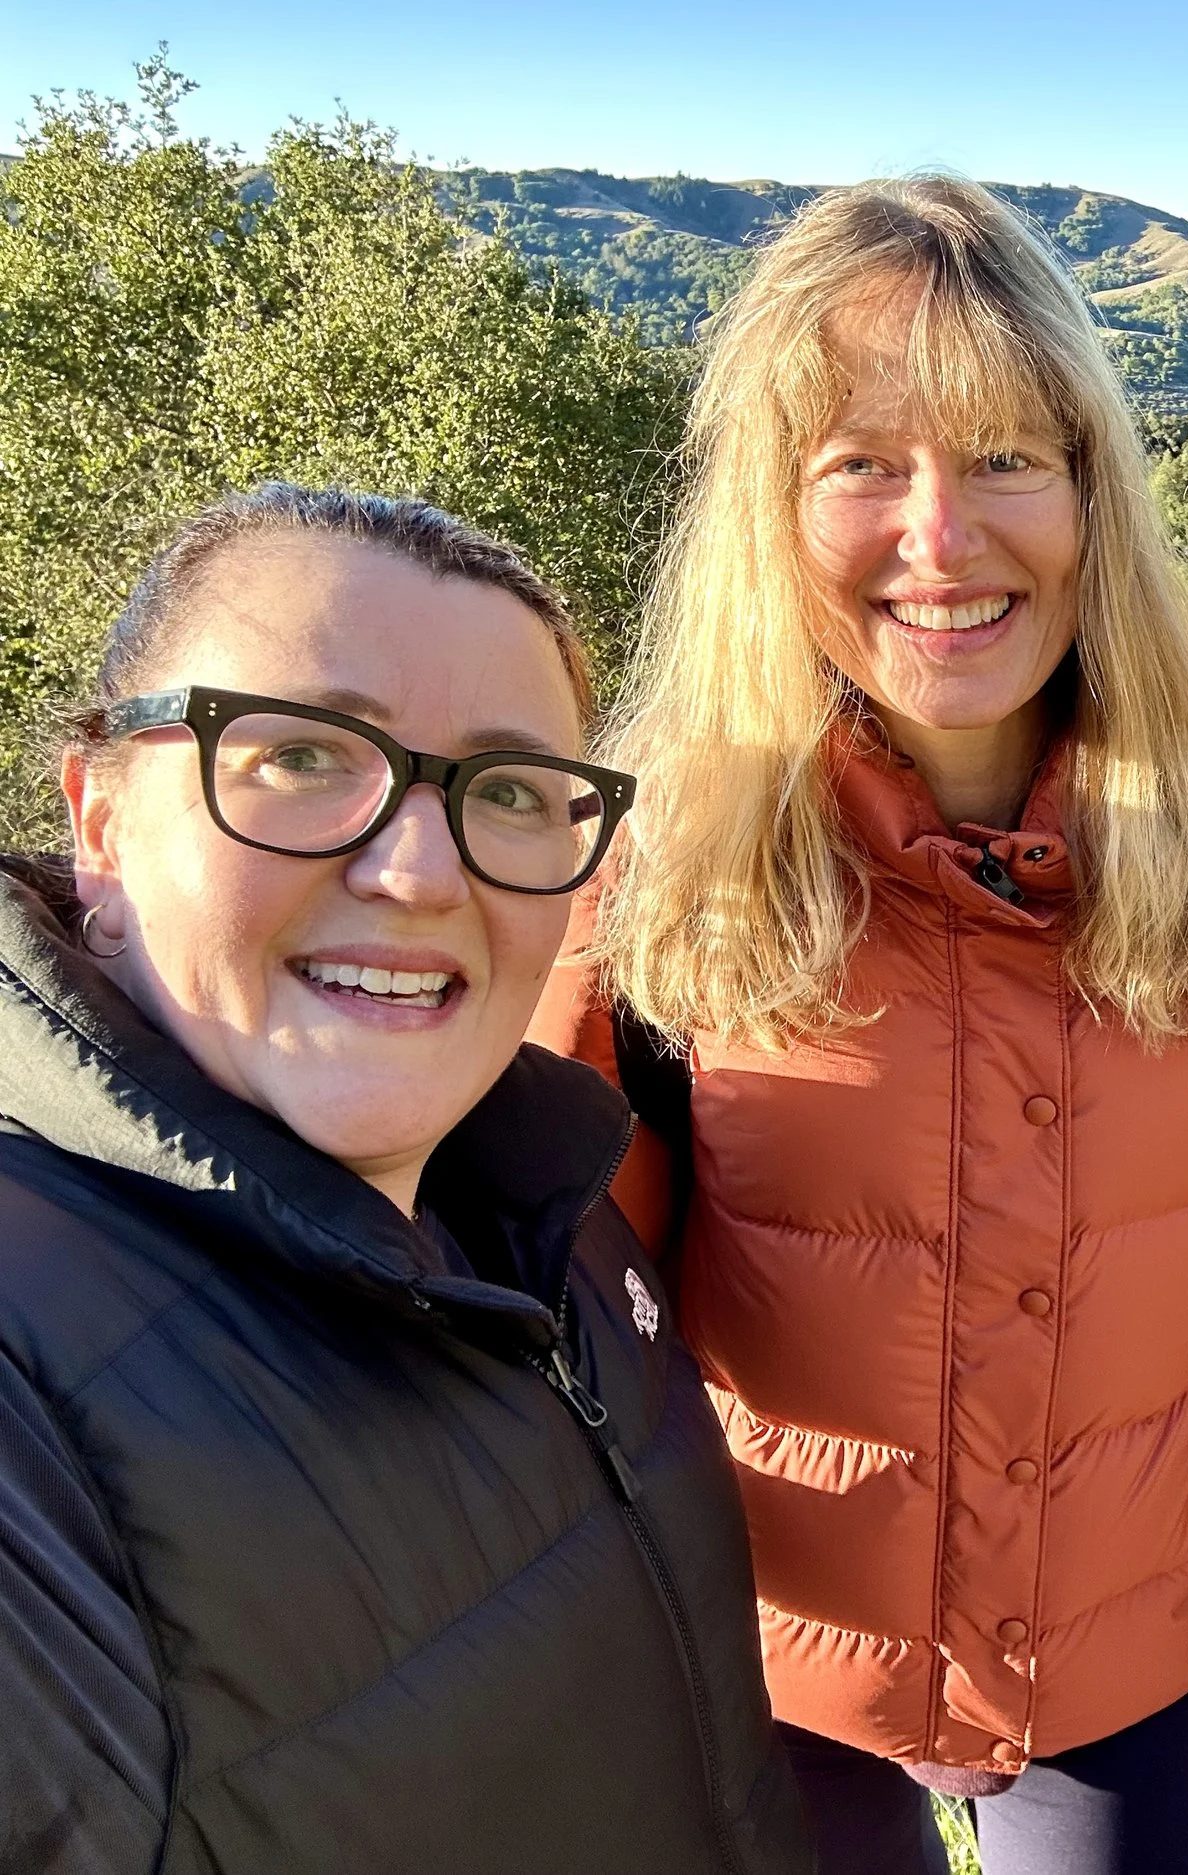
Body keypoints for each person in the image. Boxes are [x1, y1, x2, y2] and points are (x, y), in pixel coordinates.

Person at [529, 176, 1188, 1875]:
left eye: (1010, 456)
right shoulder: (655, 887)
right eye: (861, 464)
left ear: (1093, 493)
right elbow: (579, 1322)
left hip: (1116, 1666)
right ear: (770, 518)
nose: (942, 539)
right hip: (766, 1667)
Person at [0, 484, 812, 1875]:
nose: (419, 868)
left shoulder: (549, 1204)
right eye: (305, 756)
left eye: (505, 790)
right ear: (103, 819)